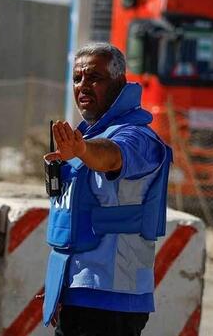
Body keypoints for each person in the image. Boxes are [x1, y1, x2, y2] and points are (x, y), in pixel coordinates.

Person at [42, 43, 172, 336]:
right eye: (77, 78)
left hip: (113, 300)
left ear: (119, 82)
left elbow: (112, 156)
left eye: (94, 78)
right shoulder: (84, 137)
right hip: (77, 293)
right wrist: (61, 285)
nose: (83, 86)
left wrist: (82, 150)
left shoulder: (137, 136)